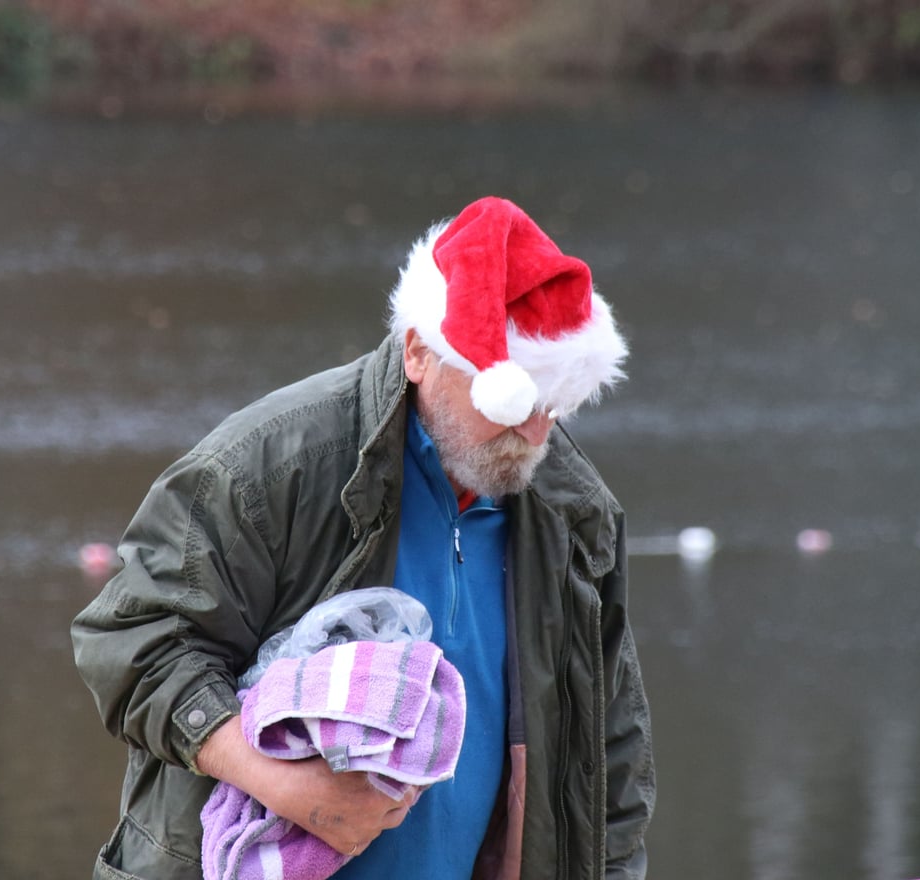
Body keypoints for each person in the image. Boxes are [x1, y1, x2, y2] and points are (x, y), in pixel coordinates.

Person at [72, 195, 655, 880]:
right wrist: (284, 785)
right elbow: (134, 638)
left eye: (553, 406)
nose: (534, 436)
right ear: (417, 352)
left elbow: (610, 759)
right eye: (513, 401)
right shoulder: (273, 466)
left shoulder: (574, 514)